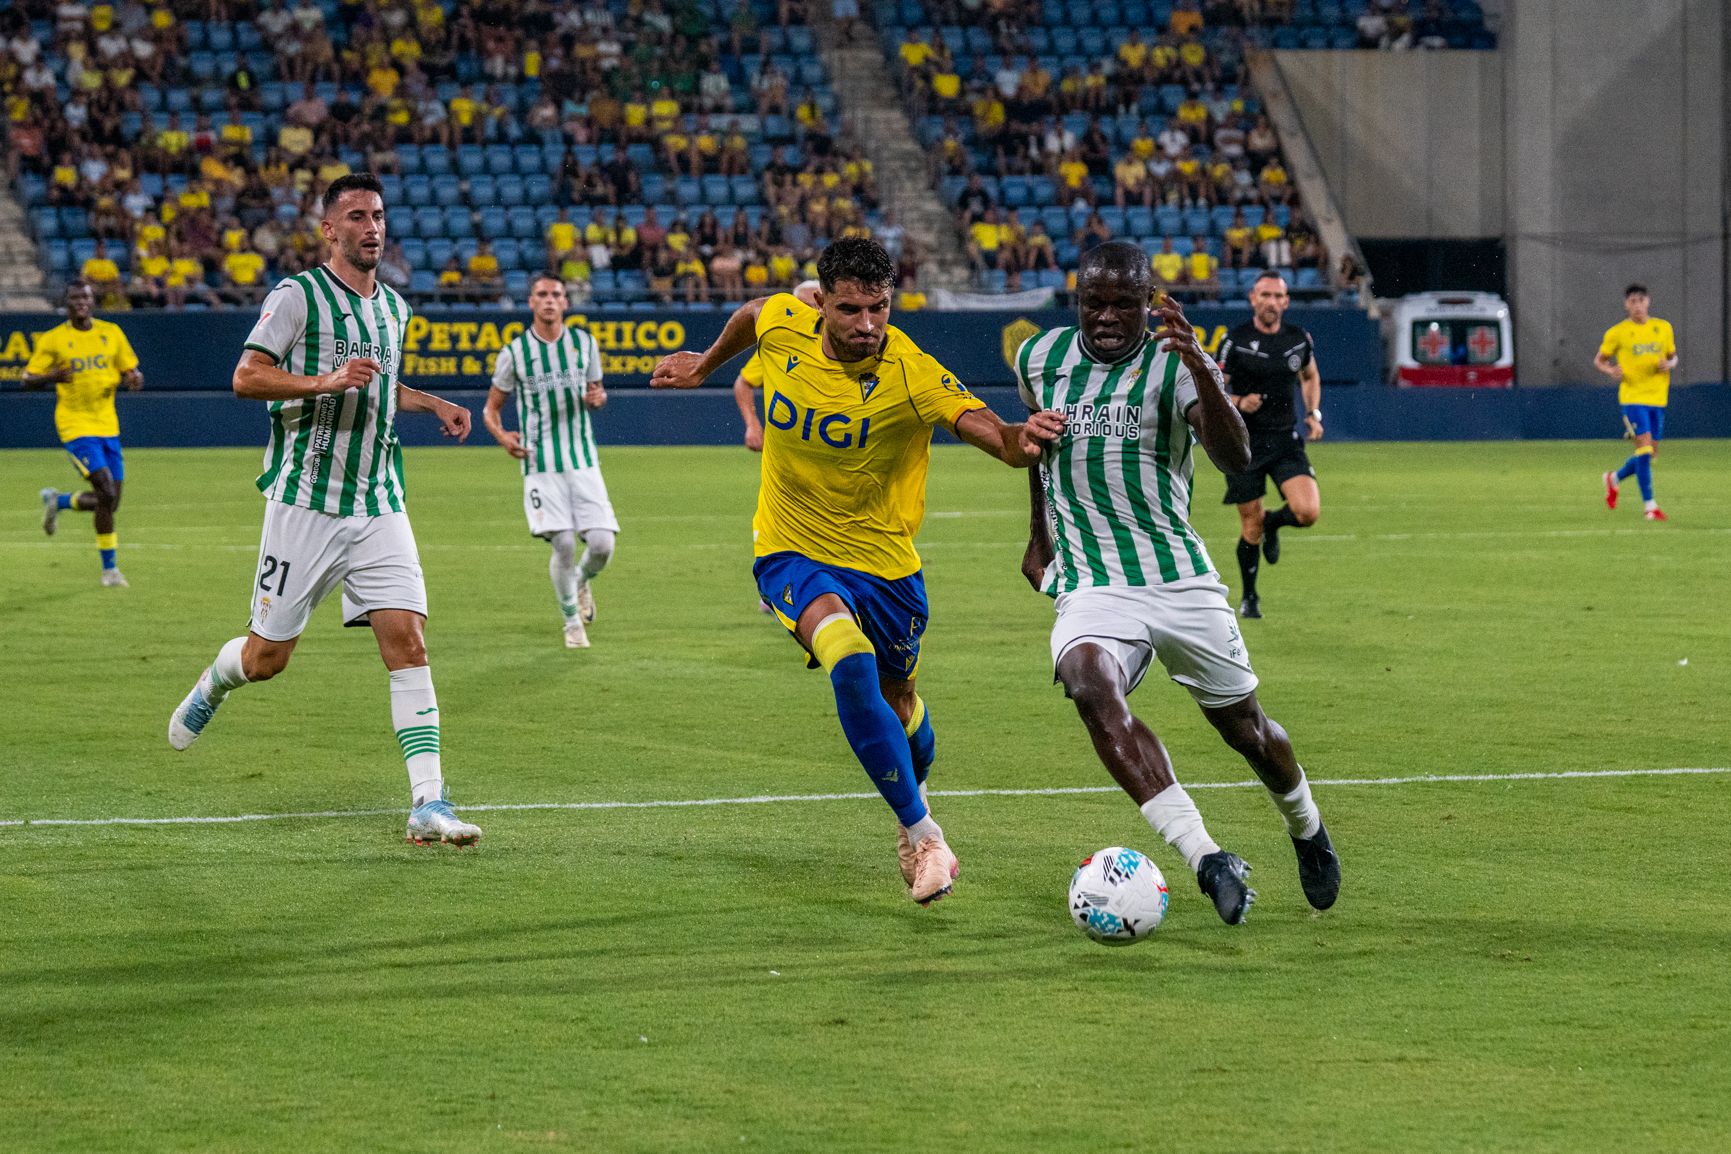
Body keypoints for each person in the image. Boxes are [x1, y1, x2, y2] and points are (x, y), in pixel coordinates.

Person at [651, 237, 1063, 906]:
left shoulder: (913, 371)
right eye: (850, 309)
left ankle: (912, 794)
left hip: (886, 567)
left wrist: (1028, 437)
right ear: (821, 304)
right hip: (790, 549)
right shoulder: (784, 324)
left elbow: (999, 439)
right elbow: (754, 312)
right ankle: (926, 835)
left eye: (879, 308)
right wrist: (704, 363)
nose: (868, 324)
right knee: (848, 660)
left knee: (900, 704)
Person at [1015, 241, 1340, 925]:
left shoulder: (1176, 362)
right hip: (1092, 581)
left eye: (1123, 304)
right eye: (1093, 302)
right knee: (1087, 682)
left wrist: (1202, 370)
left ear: (1149, 302)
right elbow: (1038, 448)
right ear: (1077, 299)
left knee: (1247, 731)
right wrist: (1038, 535)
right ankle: (1205, 857)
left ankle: (1306, 826)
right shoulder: (1040, 358)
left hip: (1178, 578)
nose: (1106, 316)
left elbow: (1234, 456)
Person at [164, 173, 484, 849]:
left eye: (379, 216)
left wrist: (434, 404)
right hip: (305, 504)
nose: (372, 227)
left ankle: (428, 802)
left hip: (378, 500)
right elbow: (246, 376)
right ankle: (215, 681)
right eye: (357, 216)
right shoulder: (297, 296)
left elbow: (380, 386)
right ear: (329, 230)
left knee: (409, 642)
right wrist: (323, 381)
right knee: (266, 659)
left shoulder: (394, 309)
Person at [481, 272, 618, 649]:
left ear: (565, 302)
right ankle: (572, 621)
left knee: (602, 545)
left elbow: (597, 392)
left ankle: (580, 581)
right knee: (564, 544)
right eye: (542, 294)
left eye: (556, 294)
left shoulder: (584, 344)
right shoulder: (514, 353)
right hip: (540, 464)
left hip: (582, 460)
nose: (549, 300)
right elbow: (491, 409)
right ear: (531, 302)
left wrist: (599, 399)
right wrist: (502, 436)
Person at [1215, 270, 1322, 618]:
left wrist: (1313, 413)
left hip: (1285, 439)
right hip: (1243, 445)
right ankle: (1250, 598)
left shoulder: (1298, 339)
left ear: (1286, 302)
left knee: (1307, 512)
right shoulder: (1235, 340)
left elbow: (1310, 375)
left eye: (1278, 296)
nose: (1271, 302)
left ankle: (1275, 523)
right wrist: (1238, 401)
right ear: (1253, 299)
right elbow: (1214, 388)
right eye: (1265, 295)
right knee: (1250, 525)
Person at [27, 280, 144, 587]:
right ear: (66, 303)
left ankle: (60, 501)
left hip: (108, 425)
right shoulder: (54, 339)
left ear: (93, 302)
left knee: (111, 502)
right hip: (75, 426)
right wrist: (52, 376)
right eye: (75, 297)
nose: (81, 302)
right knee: (106, 492)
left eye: (86, 297)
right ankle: (110, 571)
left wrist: (134, 378)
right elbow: (27, 378)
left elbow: (130, 369)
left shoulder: (111, 333)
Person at [1597, 283, 1677, 521]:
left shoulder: (1663, 328)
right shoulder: (1618, 332)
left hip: (1658, 398)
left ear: (1648, 302)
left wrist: (1668, 364)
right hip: (1633, 398)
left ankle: (1614, 478)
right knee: (1643, 449)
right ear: (1626, 304)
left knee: (1650, 454)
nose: (1637, 305)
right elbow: (1599, 360)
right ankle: (1650, 506)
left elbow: (1673, 357)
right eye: (1632, 301)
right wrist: (1610, 370)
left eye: (1641, 300)